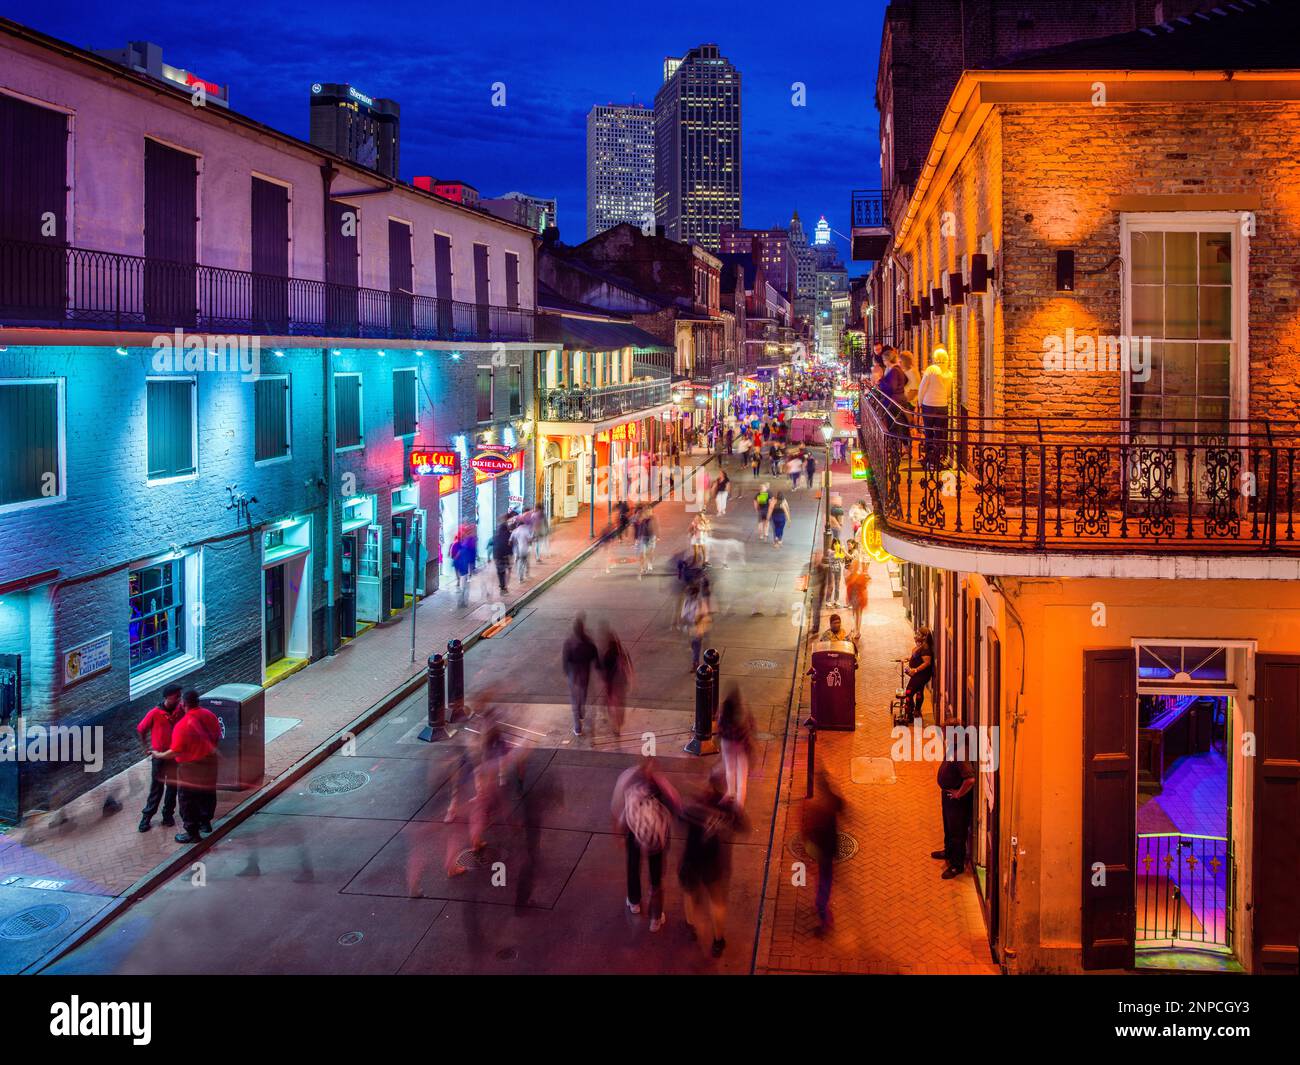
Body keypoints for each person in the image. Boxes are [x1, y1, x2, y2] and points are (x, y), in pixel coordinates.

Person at [678, 766, 747, 957]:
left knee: (689, 893)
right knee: (716, 901)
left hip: (692, 857)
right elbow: (742, 825)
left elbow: (681, 816)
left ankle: (690, 926)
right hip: (713, 859)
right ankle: (718, 941)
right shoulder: (725, 807)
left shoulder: (694, 805)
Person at [612, 756, 682, 931]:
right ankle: (655, 918)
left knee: (633, 866)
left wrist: (619, 833)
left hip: (634, 833)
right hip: (657, 839)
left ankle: (634, 901)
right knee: (656, 878)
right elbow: (676, 807)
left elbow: (617, 806)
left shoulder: (628, 778)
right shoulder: (663, 785)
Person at [152, 690, 221, 844]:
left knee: (187, 799)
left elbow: (175, 751)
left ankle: (192, 832)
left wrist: (159, 755)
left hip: (190, 767)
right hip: (210, 762)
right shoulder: (209, 715)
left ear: (183, 704)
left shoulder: (183, 725)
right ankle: (205, 823)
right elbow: (217, 735)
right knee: (207, 793)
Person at [801, 769, 844, 932]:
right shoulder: (831, 803)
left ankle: (826, 922)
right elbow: (842, 806)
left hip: (824, 852)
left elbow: (813, 831)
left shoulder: (822, 810)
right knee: (824, 879)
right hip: (828, 850)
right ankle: (824, 915)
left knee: (823, 888)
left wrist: (808, 840)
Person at [137, 684, 183, 832]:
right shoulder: (154, 713)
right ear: (167, 697)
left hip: (174, 755)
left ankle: (167, 815)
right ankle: (147, 817)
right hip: (159, 756)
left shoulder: (180, 710)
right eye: (176, 695)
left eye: (179, 695)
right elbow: (141, 729)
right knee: (156, 788)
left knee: (172, 787)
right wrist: (146, 748)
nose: (178, 698)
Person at [934, 744, 976, 879]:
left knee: (957, 831)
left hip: (957, 801)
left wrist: (958, 794)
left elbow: (970, 779)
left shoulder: (962, 752)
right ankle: (949, 851)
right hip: (948, 796)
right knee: (948, 826)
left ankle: (957, 865)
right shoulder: (953, 747)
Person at [716, 688, 754, 807]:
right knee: (742, 774)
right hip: (740, 744)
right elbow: (750, 727)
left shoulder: (723, 711)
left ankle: (730, 792)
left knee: (730, 769)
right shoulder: (743, 711)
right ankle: (739, 803)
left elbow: (719, 728)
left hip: (727, 743)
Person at [916, 346, 954, 464]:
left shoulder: (931, 370)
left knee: (928, 431)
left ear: (935, 358)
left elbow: (922, 387)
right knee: (939, 433)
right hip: (942, 405)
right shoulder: (949, 373)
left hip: (928, 404)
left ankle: (928, 457)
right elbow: (948, 393)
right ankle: (937, 458)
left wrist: (919, 402)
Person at [562, 617, 599, 736]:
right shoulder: (588, 641)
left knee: (574, 698)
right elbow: (594, 655)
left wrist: (566, 670)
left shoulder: (569, 642)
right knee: (583, 693)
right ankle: (582, 710)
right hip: (585, 672)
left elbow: (565, 658)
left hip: (574, 672)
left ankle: (577, 728)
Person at [598, 625, 632, 739]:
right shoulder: (622, 652)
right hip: (622, 683)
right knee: (620, 704)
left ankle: (615, 725)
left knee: (613, 705)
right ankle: (618, 724)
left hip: (612, 685)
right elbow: (629, 667)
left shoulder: (607, 654)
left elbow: (603, 671)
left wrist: (605, 682)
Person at [902, 626, 935, 721]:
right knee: (919, 691)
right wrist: (911, 659)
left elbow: (927, 662)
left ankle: (910, 713)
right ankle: (916, 711)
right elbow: (919, 657)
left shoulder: (926, 648)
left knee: (909, 692)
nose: (916, 635)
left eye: (919, 634)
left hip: (921, 675)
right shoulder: (921, 646)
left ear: (924, 637)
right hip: (919, 675)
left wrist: (915, 670)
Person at [681, 582, 712, 671]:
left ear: (694, 594)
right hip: (690, 627)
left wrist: (696, 621)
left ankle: (696, 663)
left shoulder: (700, 602)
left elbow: (704, 614)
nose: (687, 596)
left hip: (699, 627)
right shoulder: (687, 601)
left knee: (696, 646)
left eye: (689, 594)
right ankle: (697, 661)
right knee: (694, 645)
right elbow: (684, 614)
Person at [845, 557, 871, 637]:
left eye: (854, 565)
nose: (853, 566)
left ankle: (858, 630)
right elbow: (848, 584)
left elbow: (866, 583)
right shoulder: (855, 575)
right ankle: (856, 628)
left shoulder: (858, 575)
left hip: (858, 597)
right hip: (855, 597)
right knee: (856, 613)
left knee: (858, 614)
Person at [451, 531, 475, 607]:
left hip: (459, 565)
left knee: (462, 583)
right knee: (463, 584)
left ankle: (461, 600)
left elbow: (453, 555)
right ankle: (461, 601)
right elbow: (469, 558)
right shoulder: (465, 547)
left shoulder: (456, 545)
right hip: (463, 567)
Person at [492, 517, 513, 595]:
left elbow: (492, 544)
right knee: (507, 570)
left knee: (500, 571)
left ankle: (502, 586)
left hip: (497, 555)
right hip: (505, 555)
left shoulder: (496, 535)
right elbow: (510, 545)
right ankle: (504, 587)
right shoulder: (508, 534)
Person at [510, 517, 531, 584]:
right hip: (524, 549)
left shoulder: (515, 531)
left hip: (517, 550)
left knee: (519, 563)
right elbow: (529, 539)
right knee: (525, 562)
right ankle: (525, 574)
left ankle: (520, 577)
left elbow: (510, 541)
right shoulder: (526, 530)